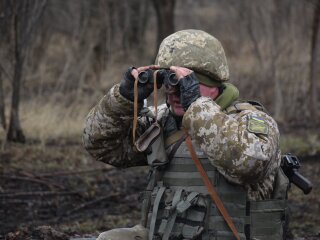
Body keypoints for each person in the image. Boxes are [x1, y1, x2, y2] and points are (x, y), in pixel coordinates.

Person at [83, 29, 289, 240]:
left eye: (186, 83)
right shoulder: (163, 120)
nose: (174, 92)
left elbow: (249, 165)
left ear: (213, 84)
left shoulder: (250, 121)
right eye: (169, 82)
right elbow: (100, 145)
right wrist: (124, 99)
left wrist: (196, 108)